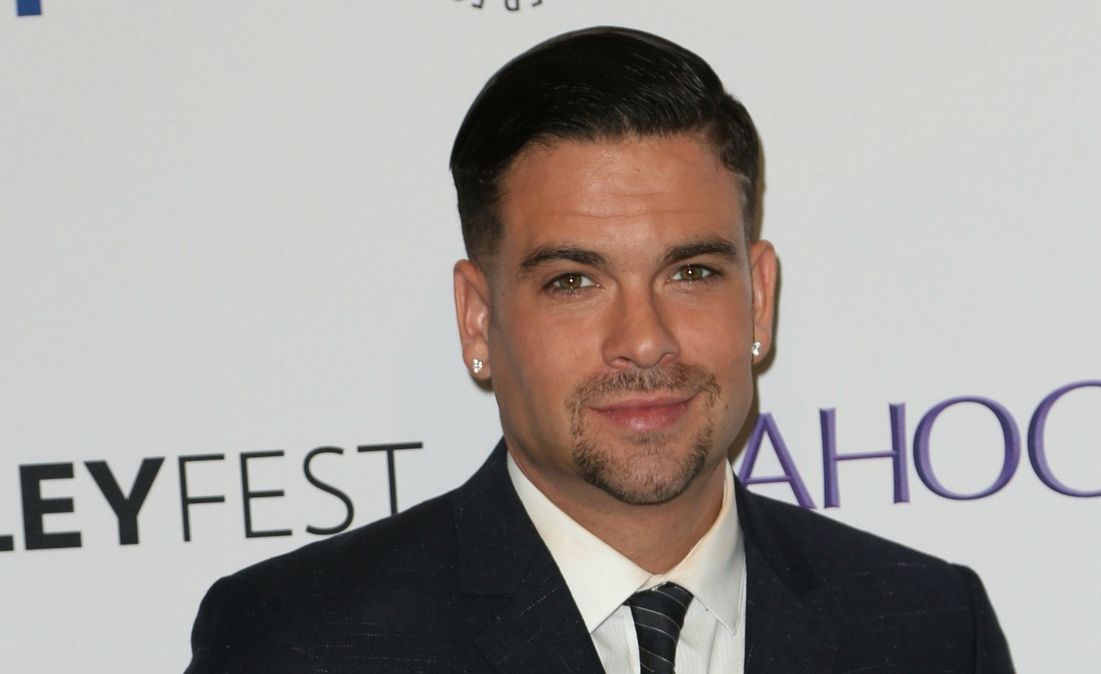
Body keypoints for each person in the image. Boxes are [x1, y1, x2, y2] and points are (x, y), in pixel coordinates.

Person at [186, 26, 1015, 674]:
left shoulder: (929, 629)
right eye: (574, 282)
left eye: (691, 272)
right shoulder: (299, 644)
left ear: (759, 297)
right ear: (478, 319)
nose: (644, 339)